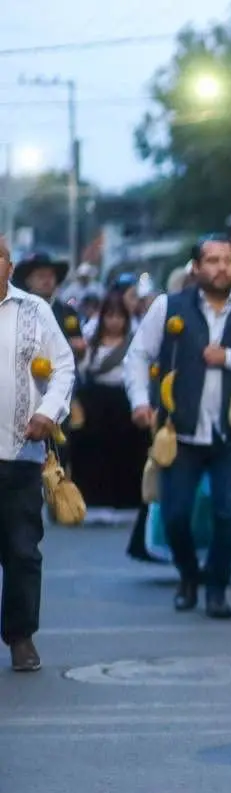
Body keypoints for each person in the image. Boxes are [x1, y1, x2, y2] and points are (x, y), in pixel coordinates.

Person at [123, 234, 231, 619]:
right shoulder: (169, 307)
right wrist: (140, 403)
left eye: (226, 260)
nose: (220, 268)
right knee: (175, 515)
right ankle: (188, 574)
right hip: (178, 432)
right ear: (197, 268)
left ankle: (216, 588)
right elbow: (137, 356)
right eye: (212, 260)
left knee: (229, 514)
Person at [0, 236, 76, 671]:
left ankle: (21, 637)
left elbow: (63, 365)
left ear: (10, 266)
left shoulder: (35, 309)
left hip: (21, 451)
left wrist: (48, 412)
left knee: (22, 551)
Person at [67, 289, 150, 524]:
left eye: (119, 316)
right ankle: (94, 503)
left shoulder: (134, 343)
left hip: (124, 403)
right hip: (95, 406)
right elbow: (81, 370)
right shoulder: (90, 343)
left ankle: (127, 504)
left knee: (127, 455)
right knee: (92, 457)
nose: (114, 321)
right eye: (109, 316)